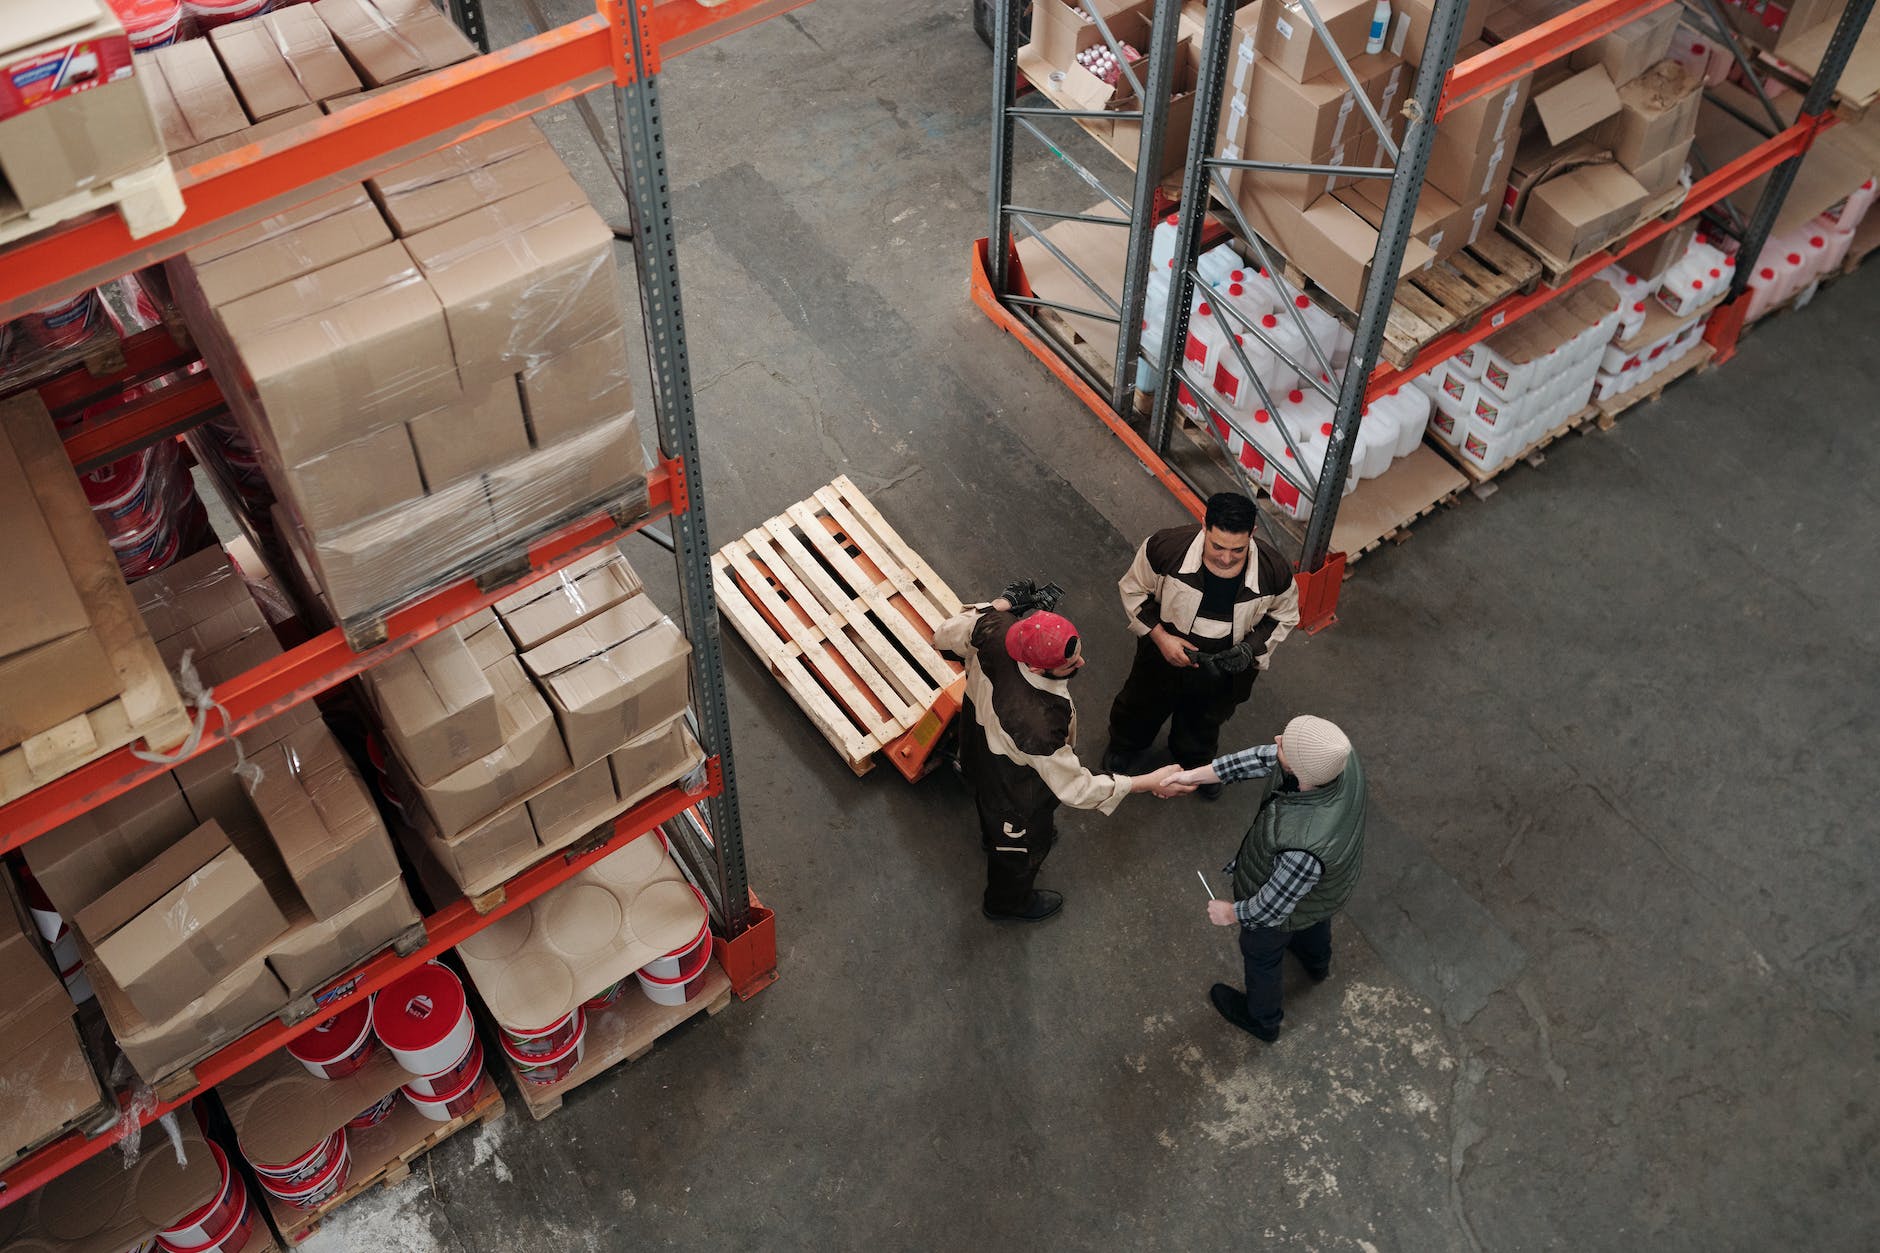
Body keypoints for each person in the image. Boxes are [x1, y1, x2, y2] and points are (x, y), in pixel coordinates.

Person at [934, 593, 1182, 923]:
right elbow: (1076, 788)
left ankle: (991, 837)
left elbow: (943, 636)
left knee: (983, 799)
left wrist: (1003, 602)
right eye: (1070, 664)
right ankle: (1007, 904)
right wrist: (1143, 782)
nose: (1081, 664)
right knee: (1020, 852)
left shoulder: (994, 626)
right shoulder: (1037, 724)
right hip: (1014, 791)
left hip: (977, 748)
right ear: (1037, 667)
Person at [1179, 715, 1365, 1043]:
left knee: (1262, 953)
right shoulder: (1338, 760)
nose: (1277, 738)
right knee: (1312, 919)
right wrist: (1194, 775)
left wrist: (1231, 913)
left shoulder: (1303, 850)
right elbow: (1267, 757)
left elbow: (1270, 909)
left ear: (1299, 771)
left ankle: (1263, 1020)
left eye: (1285, 745)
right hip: (1324, 892)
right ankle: (1316, 963)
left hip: (1288, 902)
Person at [1103, 492, 1300, 800]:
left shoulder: (1274, 572)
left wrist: (1250, 648)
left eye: (1237, 549)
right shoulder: (1165, 549)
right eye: (1218, 546)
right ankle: (1126, 745)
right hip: (1161, 657)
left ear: (1253, 534)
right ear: (1204, 526)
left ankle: (1196, 763)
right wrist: (1160, 637)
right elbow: (1133, 590)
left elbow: (1284, 616)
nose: (1225, 557)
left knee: (1206, 719)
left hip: (1225, 669)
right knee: (1141, 703)